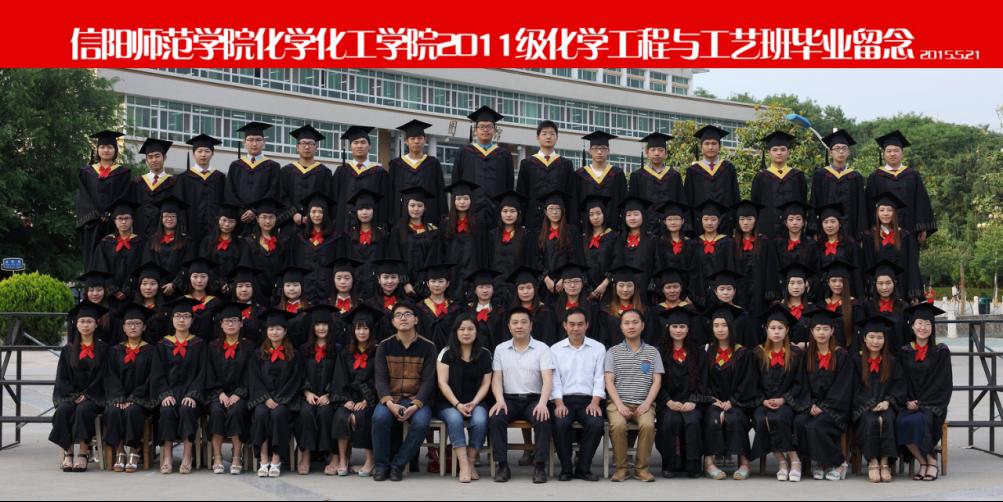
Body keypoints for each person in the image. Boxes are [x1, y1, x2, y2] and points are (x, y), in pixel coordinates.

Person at [371, 301, 438, 482]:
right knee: (379, 418)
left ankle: (398, 465)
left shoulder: (428, 347)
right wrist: (389, 403)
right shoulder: (384, 346)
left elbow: (429, 381)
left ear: (416, 320)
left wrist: (415, 405)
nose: (403, 318)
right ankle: (381, 466)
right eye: (398, 315)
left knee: (421, 423)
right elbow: (380, 379)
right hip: (391, 398)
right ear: (393, 322)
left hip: (417, 399)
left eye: (408, 314)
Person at [488, 306, 555, 484]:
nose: (519, 326)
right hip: (509, 399)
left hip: (534, 399)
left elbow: (548, 379)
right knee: (496, 418)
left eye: (524, 322)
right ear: (509, 326)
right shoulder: (501, 349)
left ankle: (539, 466)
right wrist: (499, 400)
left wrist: (543, 403)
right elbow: (497, 378)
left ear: (531, 325)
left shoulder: (542, 348)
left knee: (542, 418)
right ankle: (502, 465)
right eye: (515, 322)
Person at [794, 308, 852, 481]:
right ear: (811, 331)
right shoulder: (806, 355)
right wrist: (810, 404)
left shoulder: (842, 355)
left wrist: (824, 407)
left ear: (832, 331)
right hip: (811, 406)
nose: (821, 333)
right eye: (817, 329)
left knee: (815, 426)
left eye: (825, 329)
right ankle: (820, 462)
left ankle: (840, 463)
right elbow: (801, 383)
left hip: (835, 408)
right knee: (799, 422)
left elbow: (843, 387)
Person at [604, 308, 662, 482]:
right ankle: (621, 468)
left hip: (644, 403)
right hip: (618, 403)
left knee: (648, 425)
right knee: (618, 425)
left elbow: (657, 381)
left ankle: (641, 469)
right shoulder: (613, 352)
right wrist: (619, 405)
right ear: (621, 327)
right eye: (627, 323)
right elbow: (609, 381)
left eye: (635, 322)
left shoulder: (653, 352)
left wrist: (647, 404)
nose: (631, 326)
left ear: (642, 326)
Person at [50, 301, 109, 472]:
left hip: (94, 397)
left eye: (89, 321)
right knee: (63, 410)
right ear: (76, 324)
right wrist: (74, 396)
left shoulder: (104, 349)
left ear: (96, 324)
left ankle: (83, 453)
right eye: (82, 321)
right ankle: (68, 453)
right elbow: (62, 378)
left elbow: (104, 377)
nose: (85, 325)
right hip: (71, 395)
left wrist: (88, 395)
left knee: (84, 410)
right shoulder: (67, 350)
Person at [702, 303, 757, 480]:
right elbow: (702, 380)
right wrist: (713, 400)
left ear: (731, 327)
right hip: (713, 401)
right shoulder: (707, 351)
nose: (720, 329)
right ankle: (709, 463)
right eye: (716, 325)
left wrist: (732, 401)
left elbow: (748, 382)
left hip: (738, 402)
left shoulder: (743, 353)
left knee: (736, 417)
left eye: (724, 325)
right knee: (713, 417)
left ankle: (744, 463)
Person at [550, 307, 606, 482]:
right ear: (565, 325)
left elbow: (600, 378)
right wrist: (559, 404)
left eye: (580, 324)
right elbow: (554, 380)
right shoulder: (555, 349)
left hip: (589, 400)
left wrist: (595, 402)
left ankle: (583, 468)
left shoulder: (598, 348)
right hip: (564, 400)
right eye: (572, 324)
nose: (576, 328)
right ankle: (566, 469)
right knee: (560, 423)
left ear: (587, 325)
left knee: (596, 424)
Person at [436, 313, 494, 483]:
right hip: (448, 402)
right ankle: (463, 465)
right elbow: (442, 383)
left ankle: (471, 462)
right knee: (455, 419)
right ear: (456, 331)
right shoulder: (446, 353)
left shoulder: (484, 354)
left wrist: (474, 402)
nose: (466, 333)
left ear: (476, 331)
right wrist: (457, 404)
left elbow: (486, 383)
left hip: (476, 401)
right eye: (462, 329)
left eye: (470, 329)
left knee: (481, 419)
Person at [897, 303, 952, 482]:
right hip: (909, 403)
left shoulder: (941, 351)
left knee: (922, 419)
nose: (923, 327)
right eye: (919, 323)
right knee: (901, 421)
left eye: (928, 324)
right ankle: (924, 461)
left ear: (933, 327)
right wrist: (907, 400)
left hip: (933, 403)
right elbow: (900, 380)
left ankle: (931, 462)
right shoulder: (905, 351)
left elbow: (942, 382)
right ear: (912, 326)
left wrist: (922, 403)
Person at [152, 297, 207, 475]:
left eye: (186, 316)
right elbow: (157, 373)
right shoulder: (163, 344)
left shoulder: (199, 344)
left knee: (187, 409)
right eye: (178, 316)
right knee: (166, 411)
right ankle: (167, 457)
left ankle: (187, 455)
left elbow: (202, 373)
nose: (181, 320)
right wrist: (164, 394)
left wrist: (192, 395)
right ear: (172, 319)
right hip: (169, 393)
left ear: (192, 320)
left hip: (190, 394)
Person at [102, 302, 158, 474]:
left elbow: (152, 378)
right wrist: (119, 397)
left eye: (137, 323)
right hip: (118, 397)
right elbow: (110, 376)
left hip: (142, 399)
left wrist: (134, 398)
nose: (133, 327)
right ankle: (120, 451)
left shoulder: (151, 351)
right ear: (124, 328)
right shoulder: (114, 350)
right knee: (112, 411)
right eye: (129, 324)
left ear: (144, 327)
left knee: (133, 410)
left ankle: (133, 451)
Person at [750, 304, 804, 482]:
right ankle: (782, 461)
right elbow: (752, 383)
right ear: (766, 329)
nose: (776, 332)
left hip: (787, 403)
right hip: (763, 403)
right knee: (762, 419)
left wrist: (783, 399)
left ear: (787, 330)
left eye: (780, 328)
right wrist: (763, 400)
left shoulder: (795, 354)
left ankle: (794, 459)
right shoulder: (757, 353)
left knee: (779, 418)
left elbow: (799, 383)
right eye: (772, 328)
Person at [248, 308, 303, 478]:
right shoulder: (258, 354)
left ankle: (276, 459)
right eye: (271, 328)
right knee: (261, 414)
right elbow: (254, 378)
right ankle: (264, 459)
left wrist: (279, 399)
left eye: (278, 328)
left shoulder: (294, 355)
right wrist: (265, 398)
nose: (274, 332)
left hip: (285, 401)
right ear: (266, 331)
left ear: (285, 331)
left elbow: (296, 380)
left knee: (278, 414)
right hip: (263, 400)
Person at [655, 307, 708, 479]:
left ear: (688, 328)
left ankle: (692, 464)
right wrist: (668, 401)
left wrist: (694, 401)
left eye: (682, 326)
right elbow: (655, 381)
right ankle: (670, 464)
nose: (678, 330)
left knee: (692, 421)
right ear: (668, 328)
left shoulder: (698, 352)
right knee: (671, 420)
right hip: (668, 403)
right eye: (675, 326)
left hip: (692, 402)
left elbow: (703, 381)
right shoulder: (659, 352)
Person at [332, 303, 384, 477]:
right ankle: (342, 459)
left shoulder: (378, 352)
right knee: (341, 416)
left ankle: (370, 459)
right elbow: (339, 378)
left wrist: (366, 400)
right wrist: (346, 399)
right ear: (353, 330)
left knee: (361, 416)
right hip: (349, 397)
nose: (362, 332)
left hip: (369, 399)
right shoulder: (345, 353)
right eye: (358, 328)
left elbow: (379, 379)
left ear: (371, 331)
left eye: (365, 328)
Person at [852, 315, 904, 483]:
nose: (876, 341)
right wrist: (869, 404)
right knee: (871, 420)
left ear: (885, 339)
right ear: (864, 338)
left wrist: (887, 401)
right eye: (872, 337)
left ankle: (885, 462)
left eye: (880, 337)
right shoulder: (856, 361)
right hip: (863, 407)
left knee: (887, 419)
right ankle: (872, 461)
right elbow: (852, 388)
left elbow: (899, 386)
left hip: (886, 404)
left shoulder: (892, 361)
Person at [205, 302, 253, 475]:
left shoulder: (249, 347)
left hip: (242, 395)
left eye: (234, 320)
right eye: (227, 321)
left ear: (241, 323)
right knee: (217, 411)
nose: (231, 324)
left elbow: (251, 374)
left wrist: (239, 394)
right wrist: (220, 393)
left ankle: (236, 456)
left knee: (236, 411)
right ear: (221, 324)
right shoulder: (212, 347)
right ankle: (217, 457)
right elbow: (209, 373)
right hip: (217, 394)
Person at [865, 130, 937, 244]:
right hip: (883, 232)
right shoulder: (875, 177)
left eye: (896, 151)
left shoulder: (913, 175)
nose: (892, 154)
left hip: (910, 229)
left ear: (902, 153)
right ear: (884, 154)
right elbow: (869, 205)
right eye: (889, 151)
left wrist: (923, 227)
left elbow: (921, 201)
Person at [294, 304, 341, 475]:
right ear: (312, 327)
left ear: (330, 326)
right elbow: (299, 374)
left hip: (331, 396)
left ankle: (332, 455)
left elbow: (340, 375)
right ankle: (305, 454)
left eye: (325, 324)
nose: (321, 328)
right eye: (317, 324)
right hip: (308, 395)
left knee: (325, 413)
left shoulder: (337, 349)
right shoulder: (304, 349)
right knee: (306, 413)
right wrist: (307, 392)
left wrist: (329, 394)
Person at [451, 106, 515, 230]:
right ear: (475, 130)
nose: (485, 130)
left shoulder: (504, 154)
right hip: (470, 211)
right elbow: (456, 184)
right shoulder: (464, 153)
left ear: (495, 131)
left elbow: (509, 185)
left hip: (497, 211)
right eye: (481, 127)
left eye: (489, 127)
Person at [77, 130, 131, 269]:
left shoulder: (123, 173)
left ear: (115, 150)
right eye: (102, 147)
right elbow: (83, 196)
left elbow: (123, 195)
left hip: (113, 224)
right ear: (97, 149)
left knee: (112, 259)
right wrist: (95, 215)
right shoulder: (87, 172)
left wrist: (111, 214)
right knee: (92, 259)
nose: (106, 150)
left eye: (109, 147)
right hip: (92, 224)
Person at [862, 192, 923, 303]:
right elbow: (868, 264)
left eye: (889, 210)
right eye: (882, 210)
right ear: (877, 213)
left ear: (895, 213)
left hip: (901, 288)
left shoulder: (904, 236)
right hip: (878, 290)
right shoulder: (869, 236)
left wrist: (913, 293)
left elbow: (911, 266)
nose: (885, 213)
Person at [517, 120, 578, 232]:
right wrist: (521, 221)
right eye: (544, 134)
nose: (548, 137)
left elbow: (571, 196)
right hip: (533, 220)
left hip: (559, 221)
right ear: (538, 137)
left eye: (552, 133)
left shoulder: (566, 164)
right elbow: (522, 194)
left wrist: (572, 223)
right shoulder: (527, 163)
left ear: (557, 137)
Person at [809, 130, 869, 240]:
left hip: (850, 231)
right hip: (825, 231)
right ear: (830, 152)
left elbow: (861, 208)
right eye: (837, 148)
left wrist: (861, 233)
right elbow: (814, 202)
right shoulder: (820, 175)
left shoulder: (856, 177)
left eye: (844, 148)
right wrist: (814, 229)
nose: (841, 151)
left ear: (848, 152)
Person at [224, 122, 281, 237]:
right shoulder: (235, 166)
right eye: (250, 140)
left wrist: (255, 211)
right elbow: (229, 192)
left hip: (262, 219)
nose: (254, 143)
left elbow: (273, 192)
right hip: (239, 219)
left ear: (264, 143)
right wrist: (242, 211)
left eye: (258, 140)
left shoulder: (273, 166)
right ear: (244, 143)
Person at [389, 120, 448, 227]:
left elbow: (440, 192)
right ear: (406, 141)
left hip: (429, 216)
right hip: (402, 218)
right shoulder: (396, 164)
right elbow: (391, 193)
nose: (416, 141)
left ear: (425, 140)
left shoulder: (433, 163)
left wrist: (443, 216)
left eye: (420, 138)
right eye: (412, 138)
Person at [750, 131, 808, 240]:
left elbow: (803, 203)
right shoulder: (761, 177)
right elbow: (755, 206)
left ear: (788, 152)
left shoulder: (797, 176)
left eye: (783, 149)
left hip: (793, 233)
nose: (779, 153)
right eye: (775, 150)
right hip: (767, 232)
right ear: (769, 153)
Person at [285, 191, 340, 305]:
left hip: (327, 292)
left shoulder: (334, 238)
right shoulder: (299, 238)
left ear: (325, 214)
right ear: (308, 214)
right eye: (313, 211)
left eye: (320, 212)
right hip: (305, 293)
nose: (317, 215)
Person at [684, 125, 740, 236]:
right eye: (707, 143)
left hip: (725, 223)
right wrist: (689, 225)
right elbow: (688, 199)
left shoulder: (728, 168)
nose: (710, 147)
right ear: (701, 147)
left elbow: (735, 196)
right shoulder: (693, 171)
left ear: (719, 146)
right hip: (700, 224)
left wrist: (735, 221)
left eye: (714, 143)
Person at [333, 125, 391, 231]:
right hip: (344, 227)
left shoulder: (380, 173)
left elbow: (384, 204)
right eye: (355, 143)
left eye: (363, 142)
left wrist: (381, 227)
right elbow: (334, 200)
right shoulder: (341, 171)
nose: (359, 146)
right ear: (350, 147)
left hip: (372, 229)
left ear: (370, 146)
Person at [277, 124, 332, 232]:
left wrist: (314, 215)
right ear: (297, 147)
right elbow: (281, 196)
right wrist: (293, 214)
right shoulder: (286, 171)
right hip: (290, 226)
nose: (307, 147)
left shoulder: (325, 172)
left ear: (316, 147)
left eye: (311, 143)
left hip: (316, 227)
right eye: (303, 143)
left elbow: (327, 200)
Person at [93, 199, 145, 310]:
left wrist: (127, 289)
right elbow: (101, 268)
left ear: (132, 220)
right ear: (114, 221)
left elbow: (140, 267)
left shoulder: (140, 243)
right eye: (120, 218)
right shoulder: (105, 243)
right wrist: (114, 289)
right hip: (110, 297)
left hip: (133, 295)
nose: (123, 222)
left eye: (127, 218)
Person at [176, 133, 226, 247]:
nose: (203, 154)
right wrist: (182, 227)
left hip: (215, 228)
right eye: (199, 151)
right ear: (193, 153)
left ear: (212, 153)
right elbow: (180, 206)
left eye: (207, 151)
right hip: (191, 229)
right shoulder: (184, 178)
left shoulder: (219, 178)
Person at [629, 132, 683, 236]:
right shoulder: (637, 176)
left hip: (670, 230)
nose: (657, 153)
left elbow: (680, 202)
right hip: (645, 229)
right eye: (653, 150)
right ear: (647, 152)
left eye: (660, 150)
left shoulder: (674, 176)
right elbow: (633, 205)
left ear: (666, 153)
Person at [141, 195, 194, 300]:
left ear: (178, 218)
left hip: (178, 291)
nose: (169, 219)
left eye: (173, 216)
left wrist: (174, 284)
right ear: (161, 218)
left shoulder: (186, 241)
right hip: (156, 290)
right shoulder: (152, 241)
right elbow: (148, 265)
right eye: (166, 216)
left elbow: (187, 266)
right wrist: (159, 284)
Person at [575, 131, 627, 231]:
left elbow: (623, 202)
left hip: (613, 228)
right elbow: (576, 204)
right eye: (595, 148)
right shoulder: (580, 175)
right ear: (590, 151)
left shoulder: (617, 174)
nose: (599, 152)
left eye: (603, 148)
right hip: (587, 229)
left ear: (608, 151)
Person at [134, 138, 177, 238]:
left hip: (164, 234)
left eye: (157, 156)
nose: (154, 160)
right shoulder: (138, 182)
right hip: (141, 232)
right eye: (150, 157)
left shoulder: (173, 182)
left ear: (164, 157)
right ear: (146, 160)